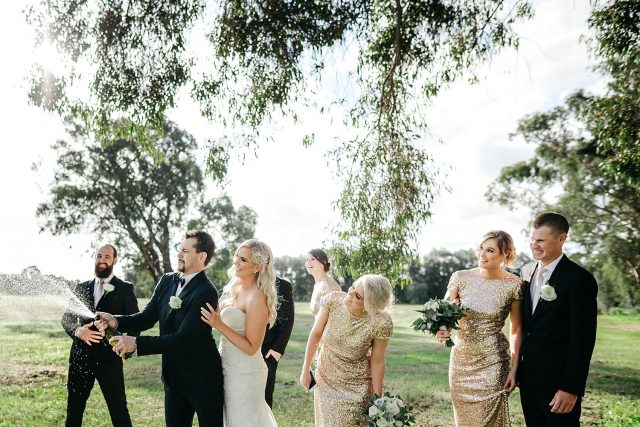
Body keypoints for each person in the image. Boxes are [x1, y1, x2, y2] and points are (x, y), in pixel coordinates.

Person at [96, 230, 223, 427]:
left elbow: (183, 339)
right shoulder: (167, 280)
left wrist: (136, 343)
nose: (179, 254)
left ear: (201, 256)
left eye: (185, 251)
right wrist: (116, 321)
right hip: (173, 378)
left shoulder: (206, 291)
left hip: (203, 379)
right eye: (179, 249)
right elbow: (147, 318)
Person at [518, 212, 598, 426]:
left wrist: (570, 388)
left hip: (559, 386)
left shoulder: (579, 279)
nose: (534, 245)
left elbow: (582, 339)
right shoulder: (526, 272)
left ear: (562, 238)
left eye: (541, 240)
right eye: (532, 240)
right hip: (528, 381)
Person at [436, 230, 523, 427]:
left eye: (490, 250)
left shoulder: (514, 285)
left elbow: (517, 329)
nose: (482, 254)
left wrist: (514, 369)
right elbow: (443, 314)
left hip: (493, 361)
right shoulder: (460, 278)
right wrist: (442, 330)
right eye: (481, 248)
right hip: (461, 361)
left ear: (505, 253)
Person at [200, 239, 279, 426]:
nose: (236, 262)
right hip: (226, 366)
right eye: (236, 256)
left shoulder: (257, 298)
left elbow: (252, 347)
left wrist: (218, 324)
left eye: (243, 259)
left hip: (246, 373)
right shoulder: (233, 288)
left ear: (257, 267)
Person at [299, 274, 394, 427]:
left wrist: (377, 399)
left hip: (358, 385)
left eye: (357, 296)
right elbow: (316, 334)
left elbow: (377, 361)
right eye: (352, 287)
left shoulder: (381, 322)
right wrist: (305, 370)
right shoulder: (333, 301)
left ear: (371, 305)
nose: (349, 294)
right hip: (326, 379)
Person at [61, 244, 139, 427]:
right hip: (80, 358)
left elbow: (135, 323)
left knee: (118, 410)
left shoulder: (125, 288)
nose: (102, 260)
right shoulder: (81, 287)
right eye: (99, 256)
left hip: (109, 359)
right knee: (74, 409)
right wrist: (78, 331)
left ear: (114, 260)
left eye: (106, 257)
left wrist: (124, 350)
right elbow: (66, 320)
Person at [261, 276, 295, 408]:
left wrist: (277, 350)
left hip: (267, 350)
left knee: (264, 395)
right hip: (239, 349)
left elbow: (287, 320)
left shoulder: (282, 285)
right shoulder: (242, 280)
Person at [306, 249, 341, 315]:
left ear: (323, 262)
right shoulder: (317, 284)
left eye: (312, 259)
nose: (308, 262)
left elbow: (334, 316)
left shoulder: (328, 285)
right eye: (307, 259)